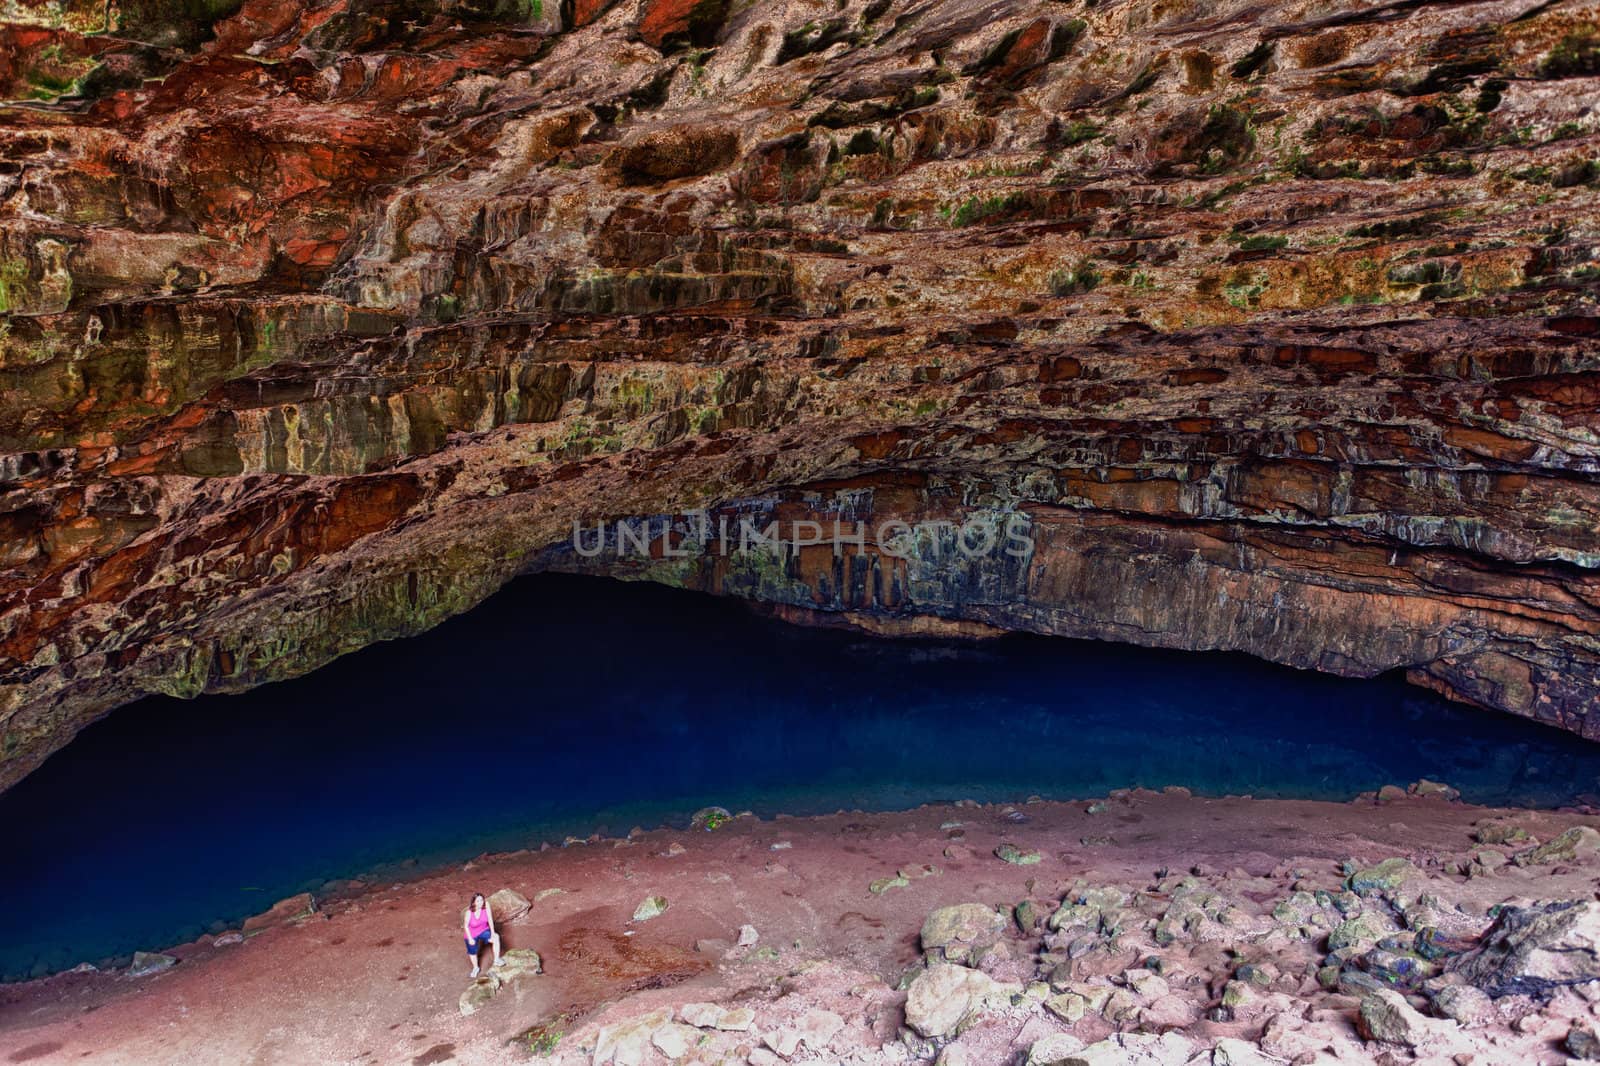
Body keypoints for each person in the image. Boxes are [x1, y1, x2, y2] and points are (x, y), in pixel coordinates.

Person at [463, 892, 503, 977]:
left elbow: (490, 919)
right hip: (471, 934)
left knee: (496, 937)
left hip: (483, 931)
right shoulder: (469, 912)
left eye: (481, 900)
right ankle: (475, 968)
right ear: (474, 902)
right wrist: (470, 939)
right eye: (478, 901)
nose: (480, 902)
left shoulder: (486, 905)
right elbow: (466, 926)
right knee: (472, 951)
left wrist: (492, 932)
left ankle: (496, 959)